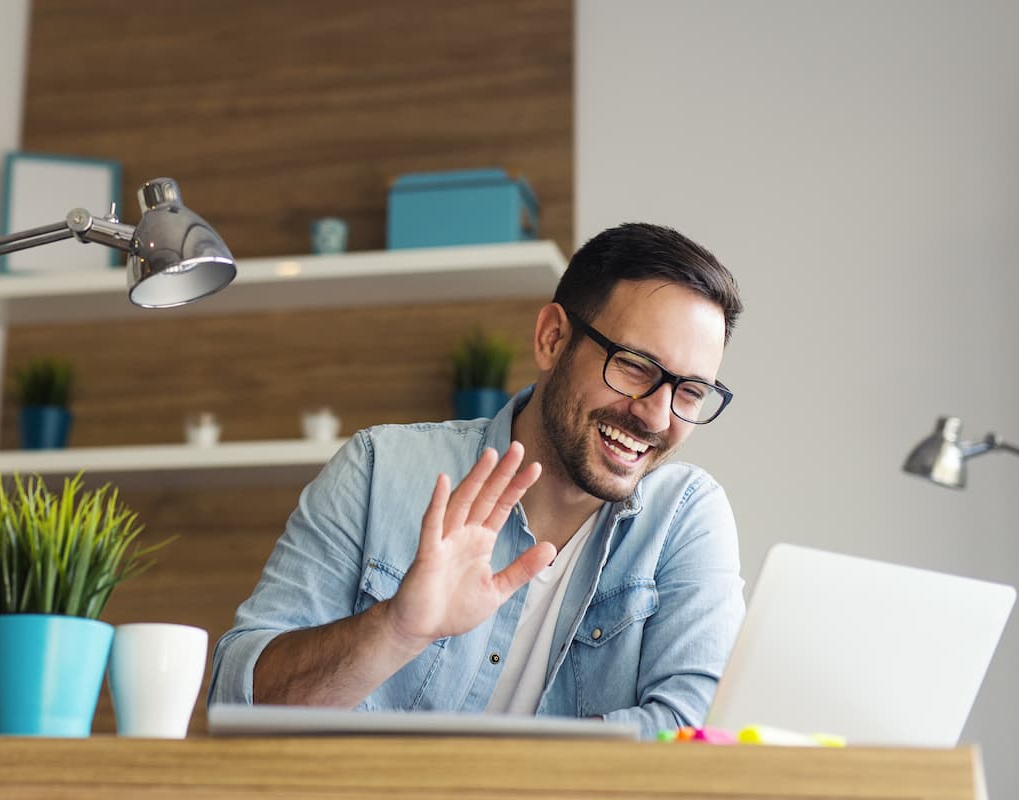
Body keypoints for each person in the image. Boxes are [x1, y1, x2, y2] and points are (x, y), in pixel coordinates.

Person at [209, 222, 745, 737]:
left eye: (691, 393)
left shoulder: (684, 517)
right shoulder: (380, 468)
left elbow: (695, 732)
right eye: (635, 366)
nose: (656, 416)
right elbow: (236, 702)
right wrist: (395, 630)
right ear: (552, 339)